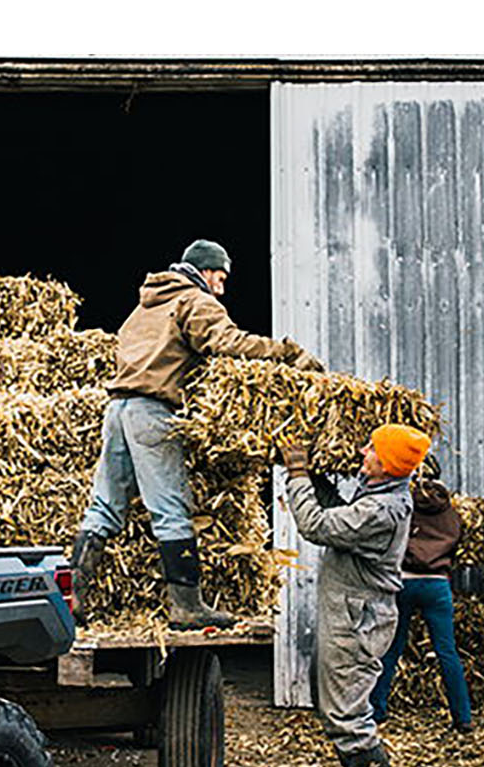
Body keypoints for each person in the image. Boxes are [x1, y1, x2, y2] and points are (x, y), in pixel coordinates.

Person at [70, 239, 324, 630]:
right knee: (171, 510)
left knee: (104, 506)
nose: (221, 287)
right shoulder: (195, 300)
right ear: (204, 271)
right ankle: (186, 606)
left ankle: (73, 599)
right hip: (152, 411)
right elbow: (226, 342)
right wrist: (286, 353)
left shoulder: (145, 306)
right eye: (219, 277)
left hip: (117, 409)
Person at [277, 423, 431, 767]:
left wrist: (297, 474)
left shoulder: (381, 511)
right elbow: (334, 513)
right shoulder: (378, 493)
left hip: (357, 622)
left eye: (371, 448)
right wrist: (316, 478)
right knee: (335, 707)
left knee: (347, 714)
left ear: (388, 463)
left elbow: (316, 526)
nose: (363, 451)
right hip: (351, 615)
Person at [368, 461, 475, 735]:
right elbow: (459, 545)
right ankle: (462, 717)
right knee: (447, 651)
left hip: (403, 582)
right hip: (438, 585)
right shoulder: (451, 512)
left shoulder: (404, 504)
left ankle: (377, 711)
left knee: (391, 648)